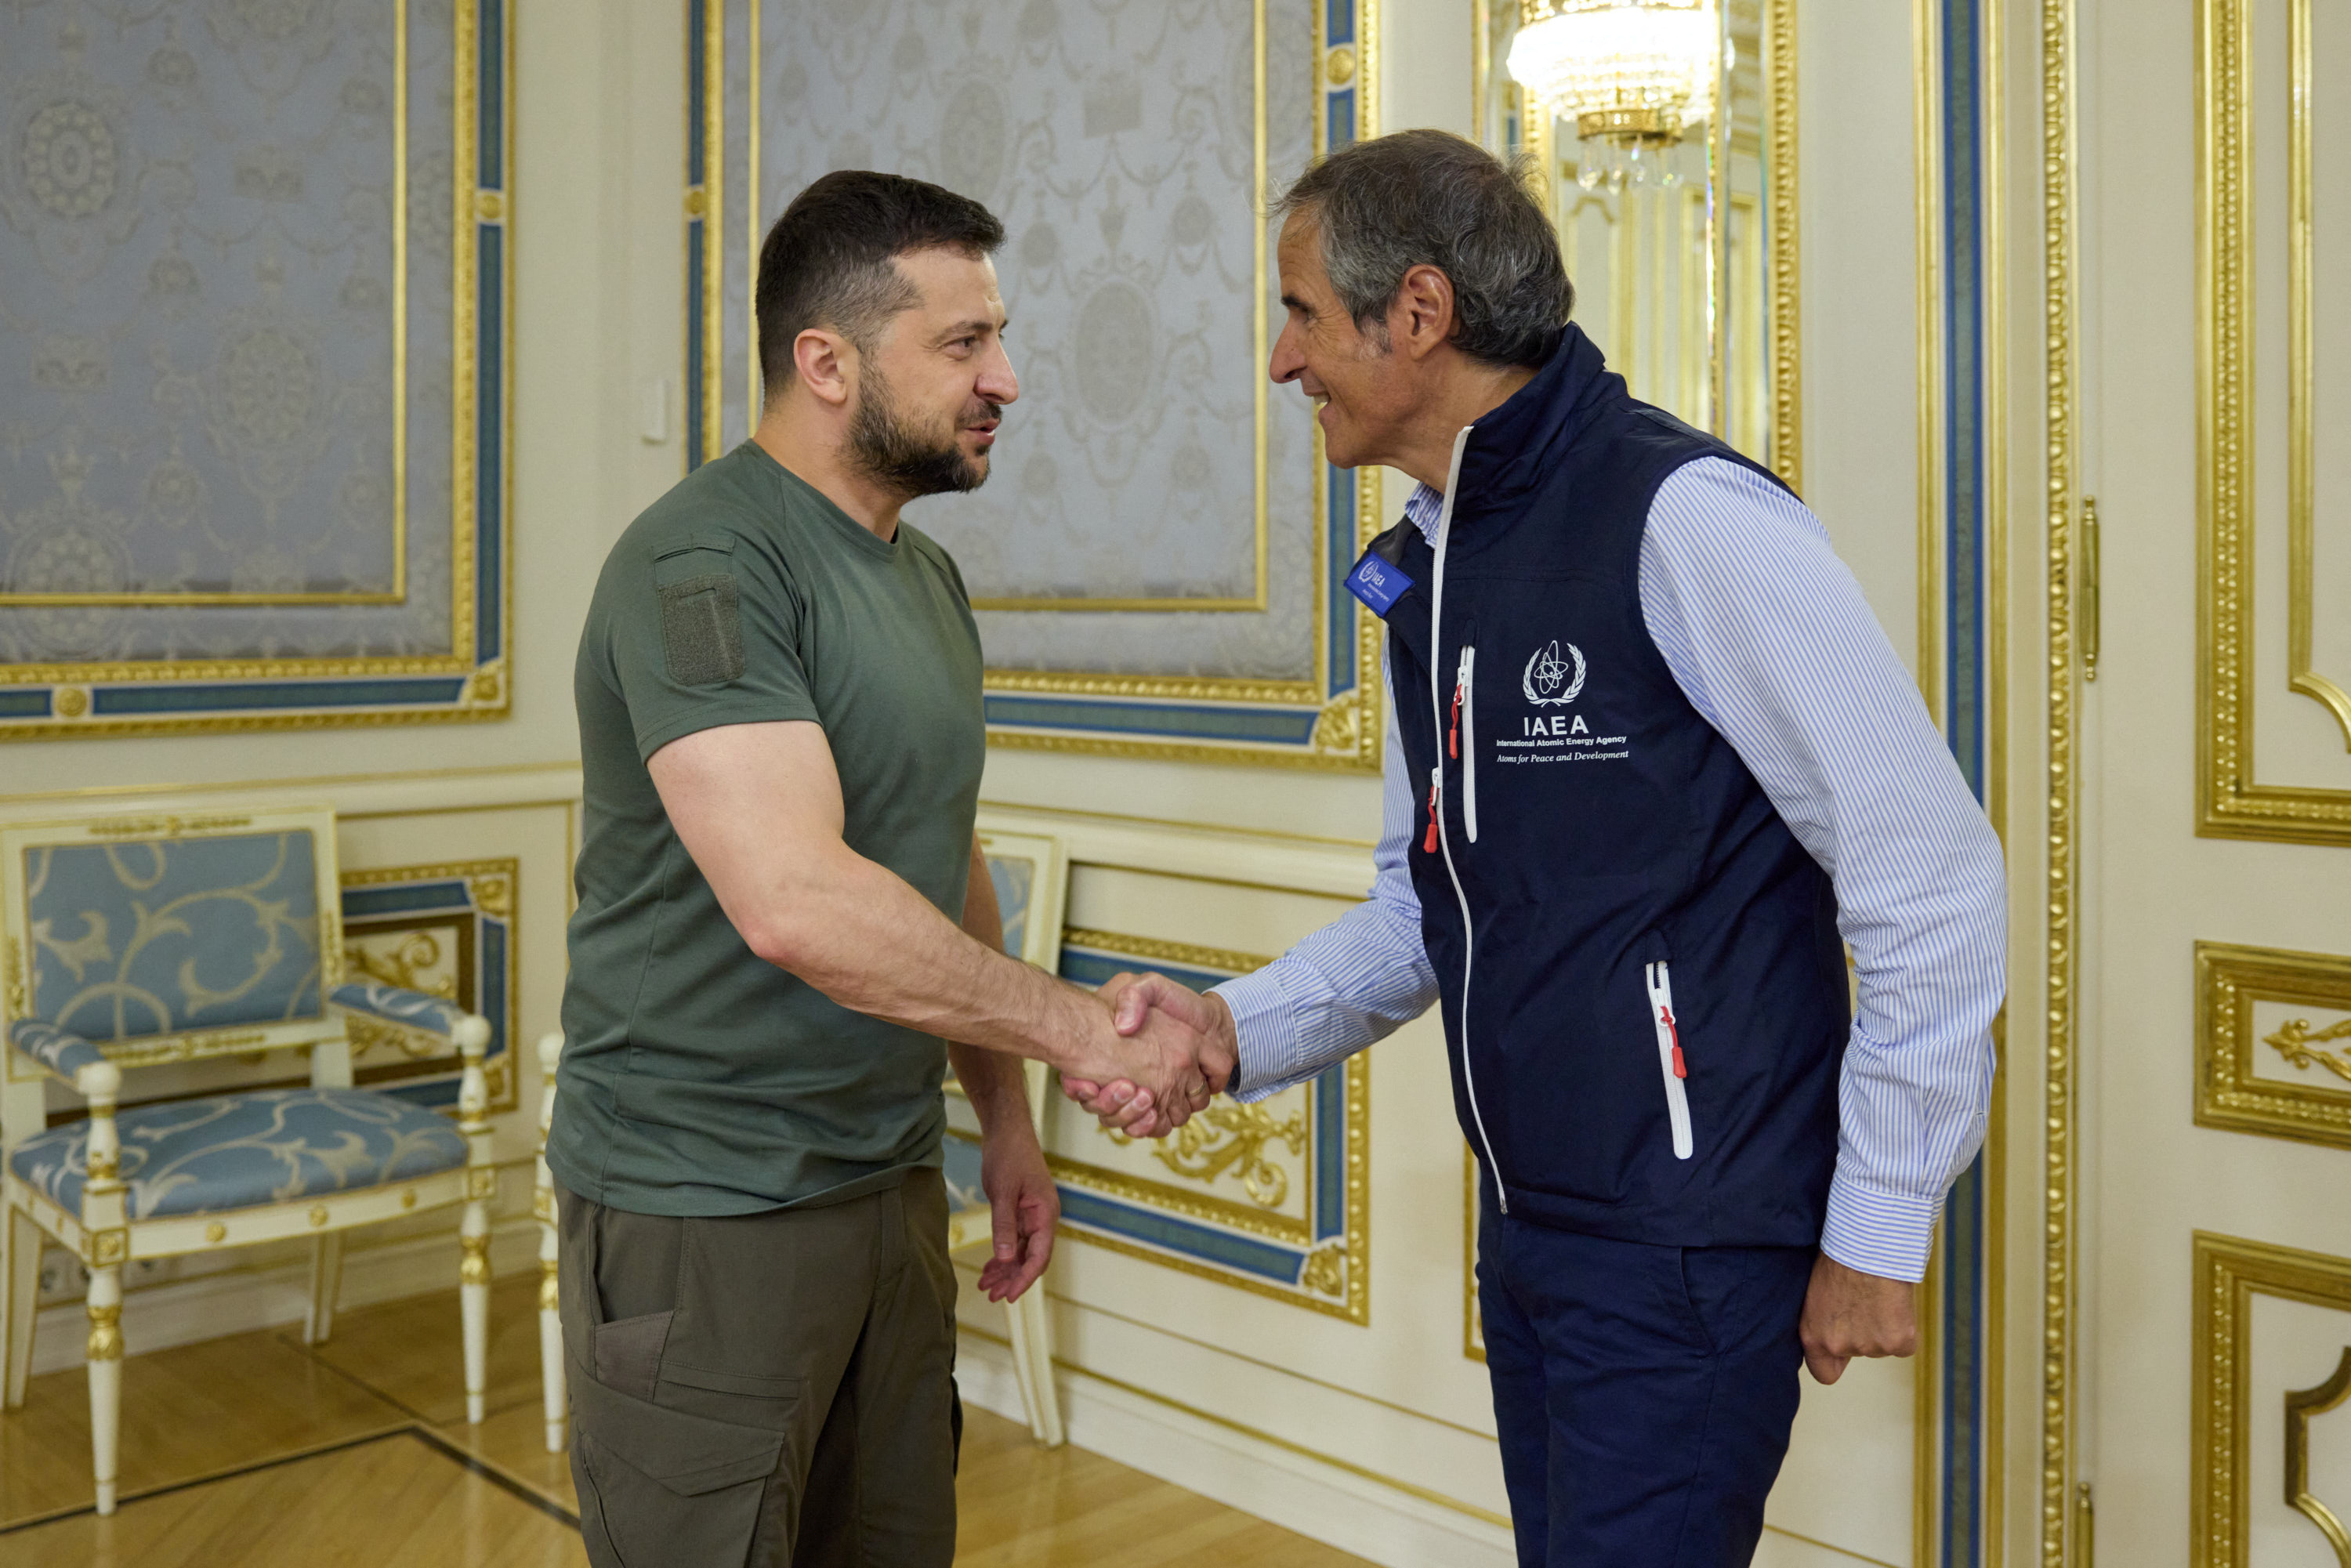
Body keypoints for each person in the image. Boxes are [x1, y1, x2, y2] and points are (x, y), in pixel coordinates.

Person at [1066, 129, 2007, 1568]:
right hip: (1538, 1226)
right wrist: (1225, 1027)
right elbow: (1422, 904)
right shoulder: (1431, 557)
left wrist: (1879, 1223)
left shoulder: (1688, 519)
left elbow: (1928, 876)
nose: (1279, 358)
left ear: (1421, 314)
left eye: (1303, 312)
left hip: (1686, 1242)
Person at [547, 169, 1229, 1568]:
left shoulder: (922, 579)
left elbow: (932, 846)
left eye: (1000, 336)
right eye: (964, 343)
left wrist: (1010, 1116)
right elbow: (796, 900)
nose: (1009, 378)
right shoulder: (704, 565)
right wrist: (1085, 1028)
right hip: (704, 1203)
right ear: (829, 364)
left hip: (887, 1182)